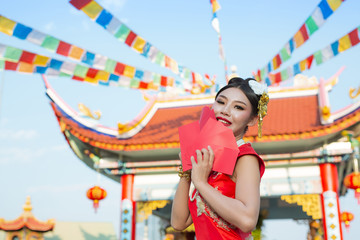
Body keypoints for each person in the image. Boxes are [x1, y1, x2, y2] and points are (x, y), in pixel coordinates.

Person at [171, 77, 269, 240]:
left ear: (252, 119)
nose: (225, 110)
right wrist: (187, 173)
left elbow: (247, 220)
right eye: (221, 102)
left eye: (238, 107)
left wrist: (201, 182)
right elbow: (179, 223)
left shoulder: (245, 158)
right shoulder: (207, 159)